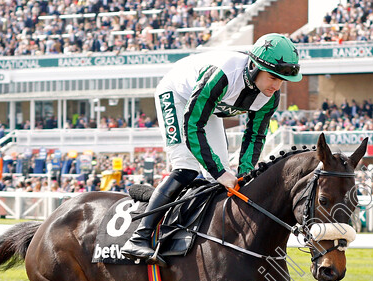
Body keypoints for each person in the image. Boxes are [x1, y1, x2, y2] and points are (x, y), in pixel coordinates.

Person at [121, 33, 302, 266]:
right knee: (187, 167)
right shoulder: (223, 75)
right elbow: (193, 125)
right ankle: (139, 237)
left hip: (211, 108)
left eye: (281, 81)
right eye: (272, 77)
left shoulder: (269, 97)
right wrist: (220, 172)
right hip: (177, 95)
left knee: (219, 179)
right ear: (255, 67)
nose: (276, 86)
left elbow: (254, 136)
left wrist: (245, 174)